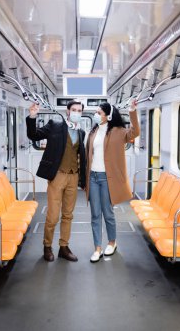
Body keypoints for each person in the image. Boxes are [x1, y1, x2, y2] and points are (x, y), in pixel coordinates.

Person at [26, 100, 86, 262]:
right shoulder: (55, 125)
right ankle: (47, 246)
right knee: (53, 215)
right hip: (57, 175)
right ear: (67, 111)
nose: (76, 112)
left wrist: (84, 181)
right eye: (73, 109)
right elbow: (34, 135)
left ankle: (64, 247)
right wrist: (32, 116)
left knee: (68, 215)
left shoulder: (81, 132)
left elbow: (81, 156)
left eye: (79, 111)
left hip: (73, 176)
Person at [86, 101, 140, 263]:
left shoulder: (119, 132)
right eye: (96, 112)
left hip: (107, 179)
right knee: (95, 214)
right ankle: (97, 248)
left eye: (99, 113)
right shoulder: (93, 131)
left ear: (108, 115)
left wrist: (132, 111)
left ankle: (112, 242)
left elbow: (135, 132)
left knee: (108, 213)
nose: (96, 115)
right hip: (93, 177)